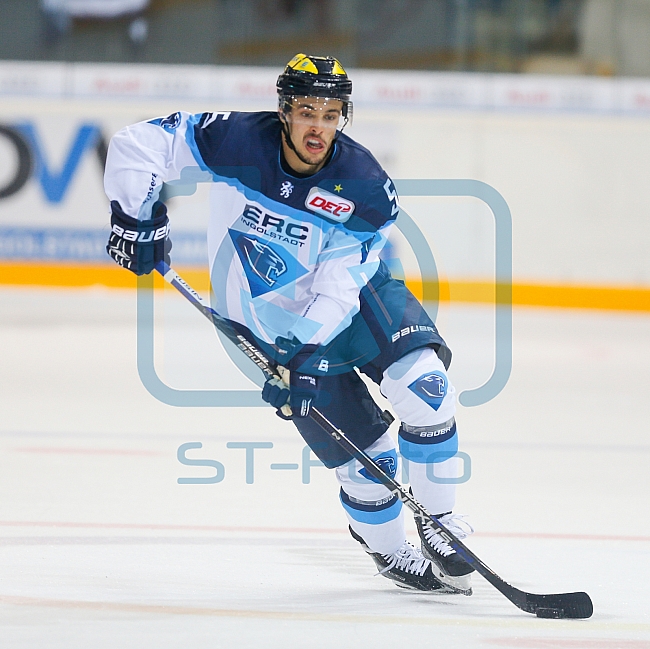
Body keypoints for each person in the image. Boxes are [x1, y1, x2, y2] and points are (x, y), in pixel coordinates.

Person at [104, 53, 474, 594]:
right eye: (307, 111)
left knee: (428, 390)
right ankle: (390, 549)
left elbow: (341, 277)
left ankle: (439, 523)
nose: (318, 127)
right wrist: (134, 218)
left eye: (330, 114)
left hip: (351, 296)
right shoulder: (237, 141)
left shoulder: (364, 183)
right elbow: (138, 145)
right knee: (362, 461)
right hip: (264, 318)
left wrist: (307, 349)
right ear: (284, 111)